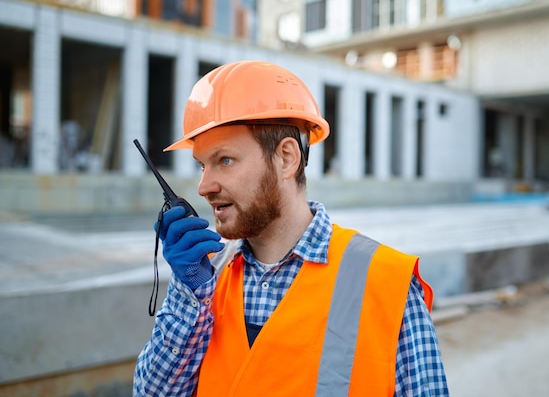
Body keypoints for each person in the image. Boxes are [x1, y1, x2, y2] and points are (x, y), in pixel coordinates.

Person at [133, 60, 449, 396]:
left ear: (286, 158)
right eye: (202, 165)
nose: (204, 186)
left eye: (224, 160)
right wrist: (188, 294)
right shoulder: (206, 281)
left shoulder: (388, 286)